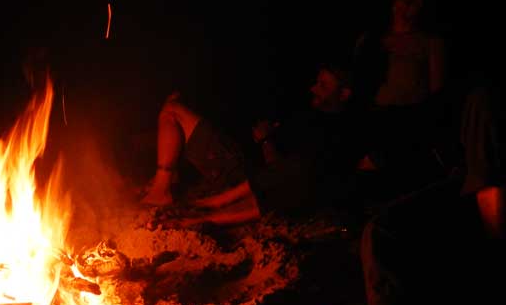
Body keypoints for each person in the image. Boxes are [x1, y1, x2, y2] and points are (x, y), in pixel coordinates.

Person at [332, 79, 506, 305]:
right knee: (383, 230)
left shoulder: (486, 98)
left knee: (393, 234)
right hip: (465, 184)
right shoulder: (467, 98)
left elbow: (493, 204)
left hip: (489, 217)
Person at [140, 63, 363, 228]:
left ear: (344, 93)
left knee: (172, 111)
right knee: (173, 106)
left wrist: (265, 141)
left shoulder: (335, 134)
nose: (313, 88)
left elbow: (284, 173)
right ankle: (168, 188)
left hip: (247, 178)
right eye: (317, 82)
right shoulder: (309, 114)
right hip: (242, 164)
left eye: (323, 85)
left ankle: (183, 198)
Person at [352, 0, 452, 193]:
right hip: (373, 119)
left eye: (413, 1)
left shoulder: (430, 43)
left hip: (408, 122)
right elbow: (358, 83)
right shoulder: (371, 40)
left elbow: (437, 92)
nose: (405, 4)